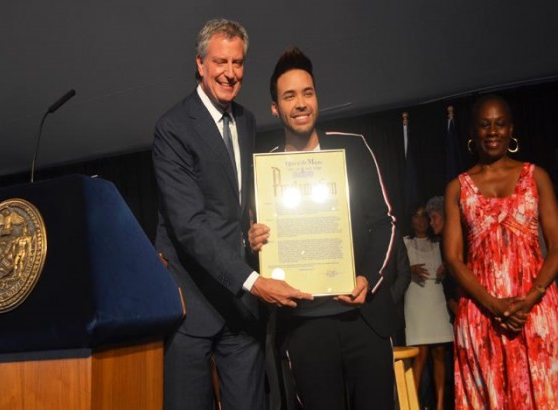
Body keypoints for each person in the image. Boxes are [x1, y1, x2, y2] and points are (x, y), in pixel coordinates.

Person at [153, 20, 311, 410]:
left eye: (238, 63)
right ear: (200, 64)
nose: (230, 72)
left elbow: (233, 206)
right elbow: (190, 227)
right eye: (220, 61)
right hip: (190, 302)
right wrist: (254, 282)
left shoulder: (246, 120)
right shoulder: (172, 128)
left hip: (239, 309)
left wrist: (251, 231)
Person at [248, 47, 396, 410]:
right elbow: (254, 246)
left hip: (363, 316)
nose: (300, 103)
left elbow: (385, 222)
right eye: (289, 96)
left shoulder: (353, 148)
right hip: (304, 326)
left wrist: (368, 279)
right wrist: (252, 241)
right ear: (275, 108)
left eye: (307, 93)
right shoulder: (264, 171)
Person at [444, 94, 558, 408]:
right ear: (472, 132)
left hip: (534, 311)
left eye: (500, 124)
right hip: (481, 312)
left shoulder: (537, 177)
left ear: (511, 130)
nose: (492, 132)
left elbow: (557, 248)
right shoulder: (457, 188)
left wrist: (529, 299)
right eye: (484, 125)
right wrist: (494, 305)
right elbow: (453, 258)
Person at [402, 204, 453, 410]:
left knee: (439, 352)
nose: (422, 221)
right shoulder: (404, 243)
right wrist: (409, 269)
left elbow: (454, 265)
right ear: (411, 219)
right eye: (417, 216)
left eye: (425, 217)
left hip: (436, 297)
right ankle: (412, 405)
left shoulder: (440, 243)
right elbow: (395, 271)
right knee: (420, 352)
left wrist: (446, 269)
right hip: (416, 299)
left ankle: (440, 405)